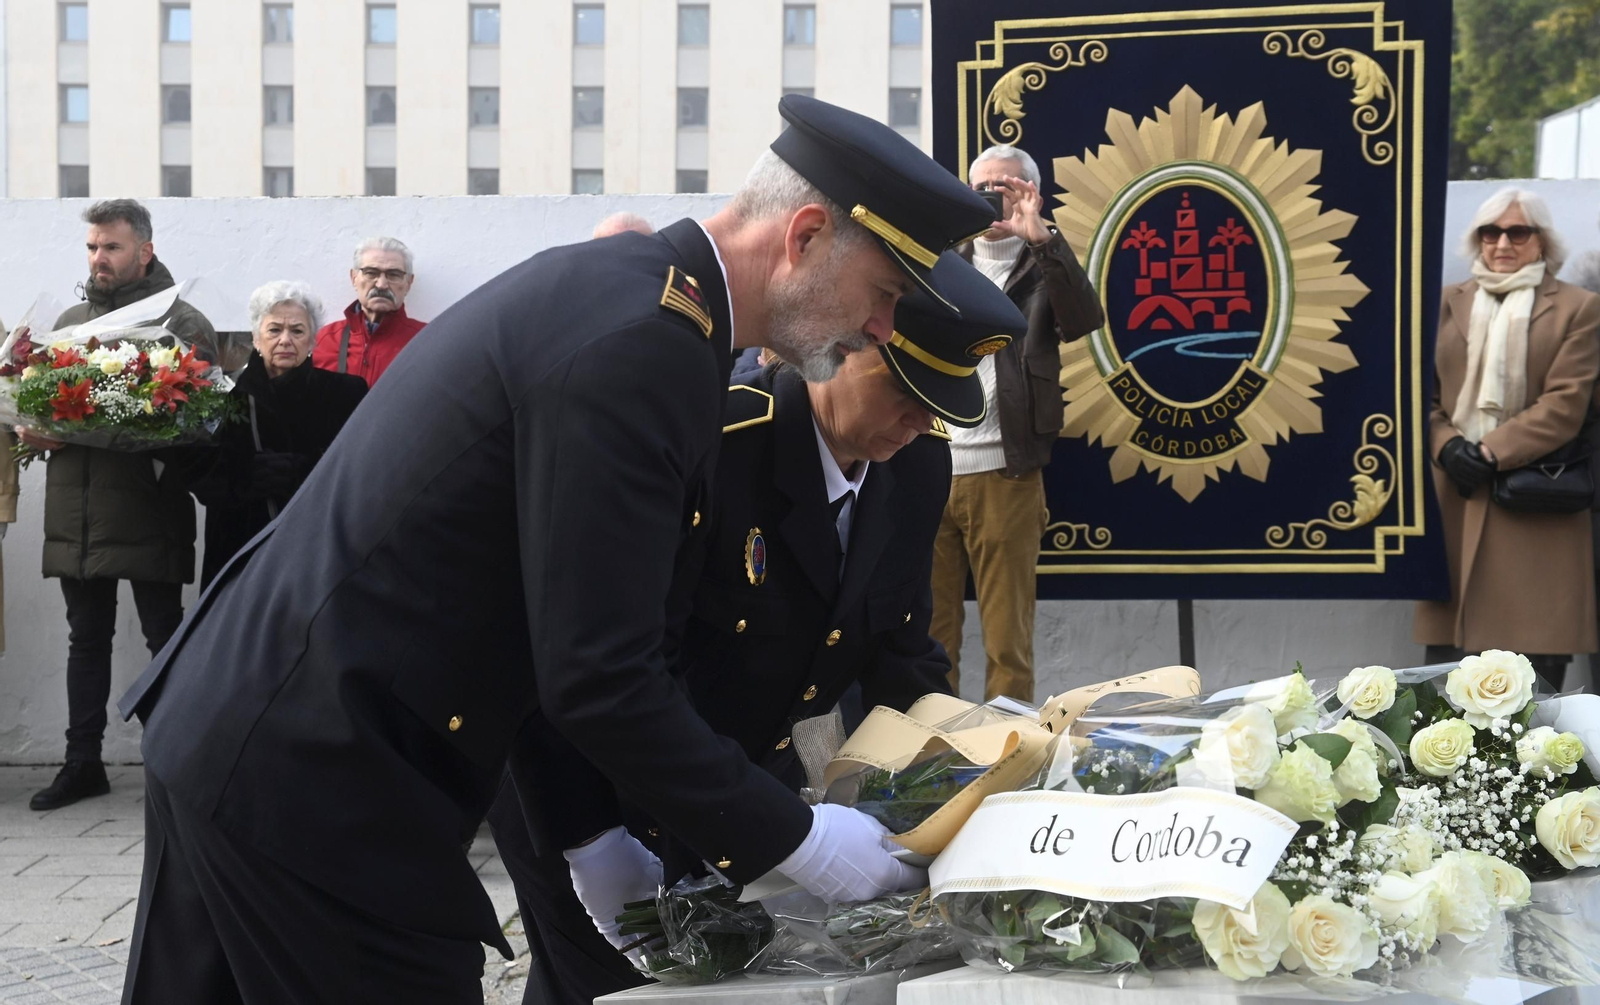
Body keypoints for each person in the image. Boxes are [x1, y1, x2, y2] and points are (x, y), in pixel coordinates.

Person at [114, 94, 1002, 1003]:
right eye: (885, 295)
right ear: (806, 236)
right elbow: (599, 669)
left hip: (256, 720)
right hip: (320, 769)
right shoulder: (645, 347)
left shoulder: (642, 301)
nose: (885, 328)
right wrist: (801, 842)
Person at [490, 250, 1030, 1005]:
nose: (916, 421)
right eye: (902, 389)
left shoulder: (915, 468)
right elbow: (576, 644)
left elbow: (902, 661)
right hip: (601, 795)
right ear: (842, 347)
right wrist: (591, 841)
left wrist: (975, 774)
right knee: (602, 993)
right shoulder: (717, 443)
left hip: (738, 795)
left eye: (937, 403)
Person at [15, 199, 216, 813]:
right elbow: (52, 408)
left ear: (145, 251)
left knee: (164, 635)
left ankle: (178, 766)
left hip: (149, 505)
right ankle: (83, 765)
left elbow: (187, 424)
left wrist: (69, 429)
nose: (99, 258)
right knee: (86, 639)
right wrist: (29, 418)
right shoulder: (71, 319)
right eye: (92, 247)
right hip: (75, 509)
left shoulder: (181, 323)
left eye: (112, 247)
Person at [929, 144, 1105, 702]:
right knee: (930, 638)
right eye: (981, 187)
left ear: (1029, 192)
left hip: (1007, 472)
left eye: (1005, 187)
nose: (991, 198)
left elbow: (1083, 319)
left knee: (1009, 641)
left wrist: (1042, 239)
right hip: (930, 469)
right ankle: (930, 763)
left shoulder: (1040, 264)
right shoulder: (942, 260)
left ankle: (1011, 759)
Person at [1414, 187, 1600, 683]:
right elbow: (1416, 394)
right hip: (1457, 495)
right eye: (1490, 232)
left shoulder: (1579, 308)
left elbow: (1565, 405)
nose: (1502, 242)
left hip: (1536, 502)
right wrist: (1447, 445)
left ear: (1542, 242)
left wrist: (1489, 452)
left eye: (1518, 231)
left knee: (1534, 694)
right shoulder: (1441, 303)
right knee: (1448, 682)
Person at [188, 282, 367, 587]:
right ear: (256, 339)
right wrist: (246, 477)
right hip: (239, 546)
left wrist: (305, 472)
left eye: (297, 331)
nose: (285, 340)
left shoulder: (345, 394)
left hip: (315, 547)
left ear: (312, 340)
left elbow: (360, 470)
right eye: (274, 330)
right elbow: (198, 473)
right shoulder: (221, 396)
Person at [309, 236, 426, 386]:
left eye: (394, 275)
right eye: (371, 273)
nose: (382, 284)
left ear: (409, 283)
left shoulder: (425, 339)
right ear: (354, 278)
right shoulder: (325, 340)